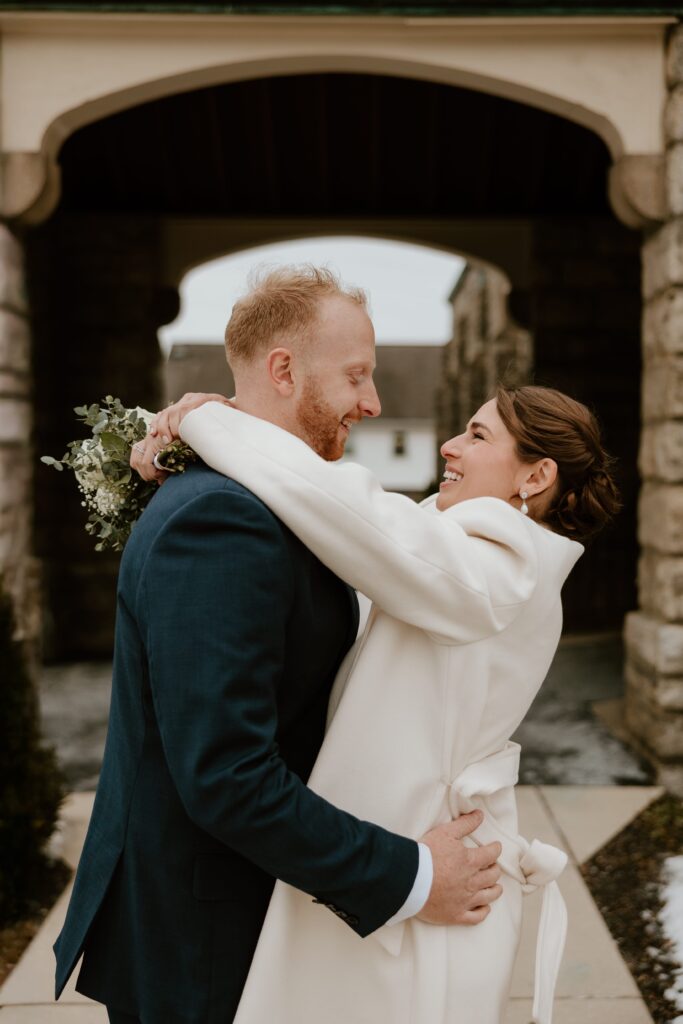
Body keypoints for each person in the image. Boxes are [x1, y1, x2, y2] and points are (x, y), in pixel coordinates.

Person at [53, 267, 505, 1024]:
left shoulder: (272, 498)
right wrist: (413, 876)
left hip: (248, 921)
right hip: (205, 944)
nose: (374, 402)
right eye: (356, 376)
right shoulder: (219, 522)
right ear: (284, 371)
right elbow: (227, 775)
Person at [145, 379, 620, 1024]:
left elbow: (347, 507)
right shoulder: (459, 550)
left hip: (426, 887)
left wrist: (212, 425)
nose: (450, 445)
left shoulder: (506, 564)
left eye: (478, 435)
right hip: (395, 875)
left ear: (536, 476)